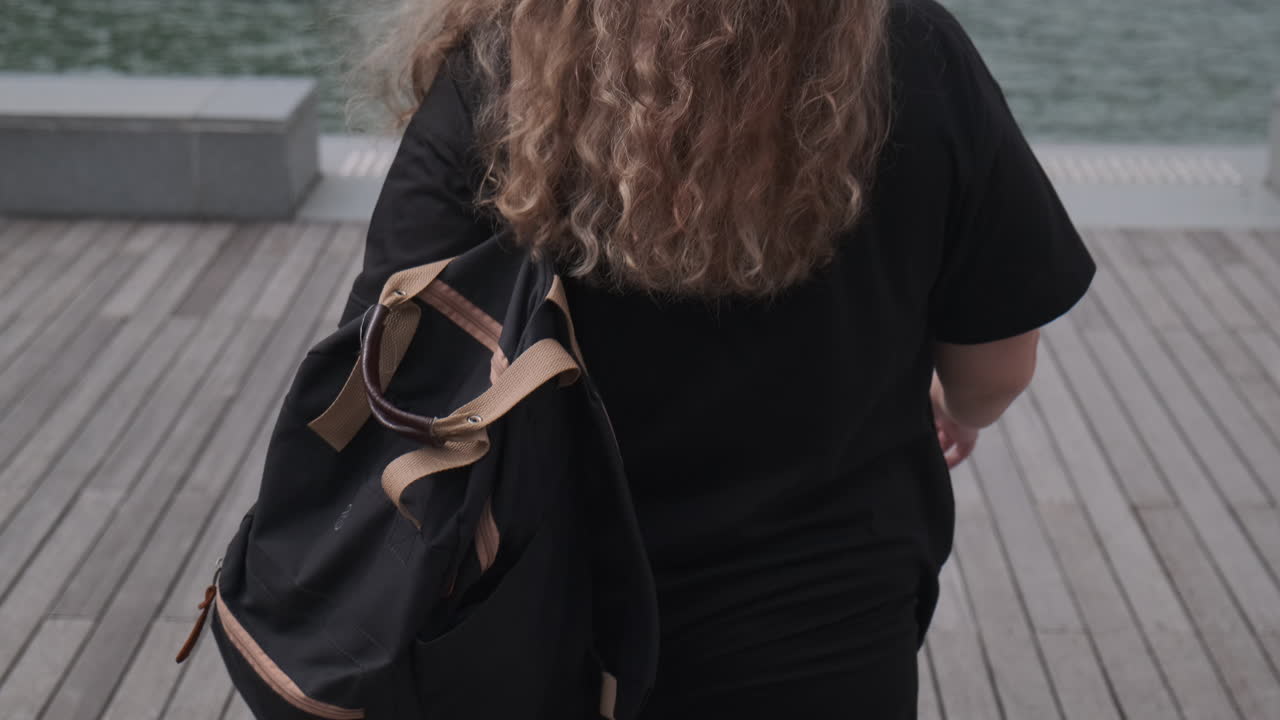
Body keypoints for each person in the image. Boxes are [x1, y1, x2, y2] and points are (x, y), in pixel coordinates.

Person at [343, 0, 1095, 716]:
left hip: (544, 629)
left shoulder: (505, 64)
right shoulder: (916, 50)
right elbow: (995, 370)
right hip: (830, 642)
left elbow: (381, 364)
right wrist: (951, 406)